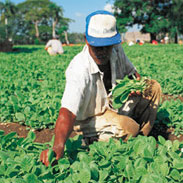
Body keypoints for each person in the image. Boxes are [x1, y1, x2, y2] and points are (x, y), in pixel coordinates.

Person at [40, 10, 161, 166]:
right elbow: (67, 113)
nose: (102, 52)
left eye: (107, 46)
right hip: (90, 119)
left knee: (153, 87)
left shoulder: (117, 50)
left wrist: (136, 86)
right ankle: (91, 138)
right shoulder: (79, 69)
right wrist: (57, 146)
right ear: (86, 40)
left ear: (115, 42)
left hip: (112, 108)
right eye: (97, 46)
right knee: (129, 127)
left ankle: (141, 138)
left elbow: (133, 74)